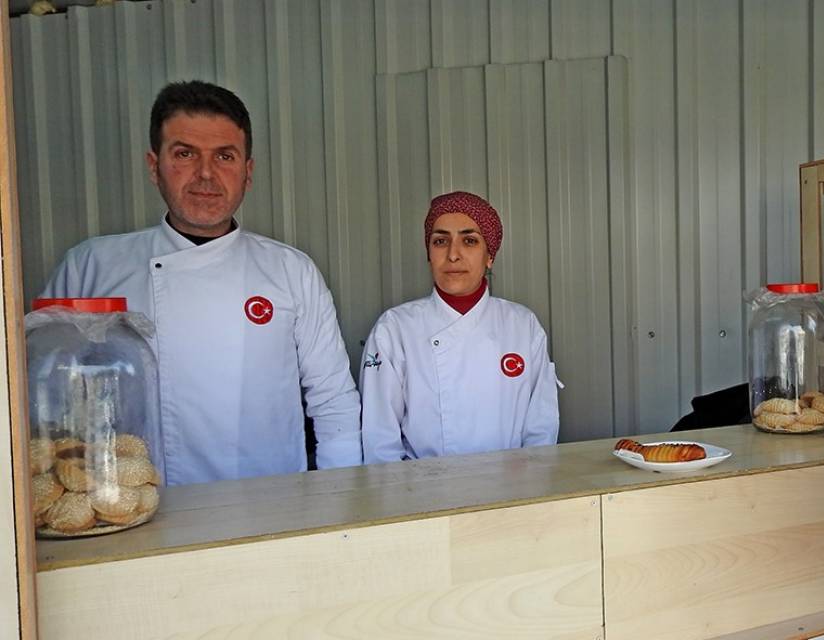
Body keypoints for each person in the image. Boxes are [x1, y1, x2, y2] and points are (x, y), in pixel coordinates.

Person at [41, 80, 362, 485]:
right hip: (134, 509)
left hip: (272, 508)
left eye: (225, 156)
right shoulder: (90, 266)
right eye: (185, 154)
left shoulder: (290, 270)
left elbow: (333, 401)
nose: (206, 174)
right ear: (154, 165)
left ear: (247, 171)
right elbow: (43, 398)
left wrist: (340, 506)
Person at [359, 191, 559, 462]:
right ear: (429, 254)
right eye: (440, 241)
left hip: (511, 494)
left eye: (469, 241)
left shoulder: (522, 325)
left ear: (490, 256)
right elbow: (380, 441)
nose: (453, 255)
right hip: (422, 495)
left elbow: (541, 429)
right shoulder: (395, 329)